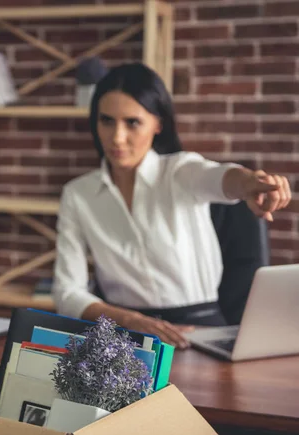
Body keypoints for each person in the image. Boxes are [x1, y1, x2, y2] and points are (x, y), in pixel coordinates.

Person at [51, 63, 291, 350]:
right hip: (123, 338)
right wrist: (129, 320)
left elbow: (219, 177)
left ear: (158, 123)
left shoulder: (179, 171)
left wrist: (251, 181)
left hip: (197, 334)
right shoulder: (78, 194)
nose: (117, 137)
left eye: (132, 122)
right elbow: (66, 292)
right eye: (106, 120)